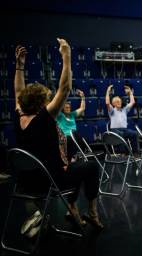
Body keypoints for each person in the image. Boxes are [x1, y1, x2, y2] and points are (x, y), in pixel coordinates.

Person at [14, 40, 103, 230]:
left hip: (26, 183)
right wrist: (66, 56)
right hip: (50, 182)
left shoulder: (19, 116)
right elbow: (64, 89)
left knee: (73, 163)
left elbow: (18, 92)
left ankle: (70, 208)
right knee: (91, 167)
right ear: (41, 105)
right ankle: (90, 212)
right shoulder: (43, 120)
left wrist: (20, 67)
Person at [105, 84, 139, 154]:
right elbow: (107, 103)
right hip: (114, 130)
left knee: (134, 134)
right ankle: (124, 153)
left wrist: (130, 92)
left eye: (119, 101)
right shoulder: (112, 110)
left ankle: (135, 152)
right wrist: (108, 91)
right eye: (117, 102)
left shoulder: (124, 109)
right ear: (113, 104)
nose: (119, 102)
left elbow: (132, 102)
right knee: (120, 134)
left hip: (124, 130)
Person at [56, 89, 85, 162]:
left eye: (69, 107)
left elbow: (82, 108)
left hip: (74, 136)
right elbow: (57, 107)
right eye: (66, 107)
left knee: (81, 139)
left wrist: (83, 97)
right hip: (65, 137)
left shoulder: (72, 114)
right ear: (63, 108)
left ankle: (77, 156)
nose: (68, 108)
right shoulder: (60, 115)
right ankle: (70, 158)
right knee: (69, 139)